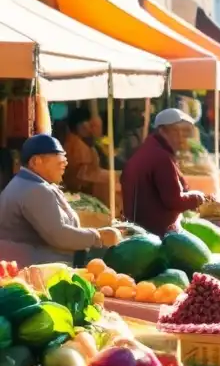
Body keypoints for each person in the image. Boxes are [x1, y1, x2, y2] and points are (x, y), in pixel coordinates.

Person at [0, 135, 121, 265]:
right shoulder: (34, 190)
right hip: (33, 268)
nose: (65, 162)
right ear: (36, 161)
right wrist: (97, 237)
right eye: (59, 156)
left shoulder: (29, 183)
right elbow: (59, 236)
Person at [121, 109, 206, 235]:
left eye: (183, 132)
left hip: (138, 230)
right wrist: (197, 198)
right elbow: (174, 201)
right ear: (162, 131)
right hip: (156, 234)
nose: (180, 138)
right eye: (175, 131)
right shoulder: (161, 158)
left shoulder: (147, 150)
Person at [62, 107, 103, 194]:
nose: (91, 128)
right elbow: (83, 176)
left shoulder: (74, 142)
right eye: (90, 124)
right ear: (80, 126)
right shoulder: (77, 146)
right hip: (79, 193)